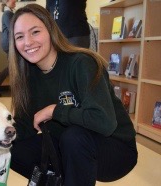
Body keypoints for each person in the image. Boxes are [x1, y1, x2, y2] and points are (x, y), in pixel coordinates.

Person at [8, 4, 137, 185]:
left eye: (35, 32)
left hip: (115, 148)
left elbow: (104, 122)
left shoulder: (81, 64)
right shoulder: (28, 77)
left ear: (51, 30)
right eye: (19, 37)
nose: (27, 42)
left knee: (74, 137)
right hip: (69, 146)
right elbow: (24, 126)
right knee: (12, 147)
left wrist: (55, 111)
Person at [0, 0, 16, 97]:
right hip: (9, 44)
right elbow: (13, 29)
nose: (16, 1)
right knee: (13, 66)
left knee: (12, 66)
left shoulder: (8, 13)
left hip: (9, 44)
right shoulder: (7, 14)